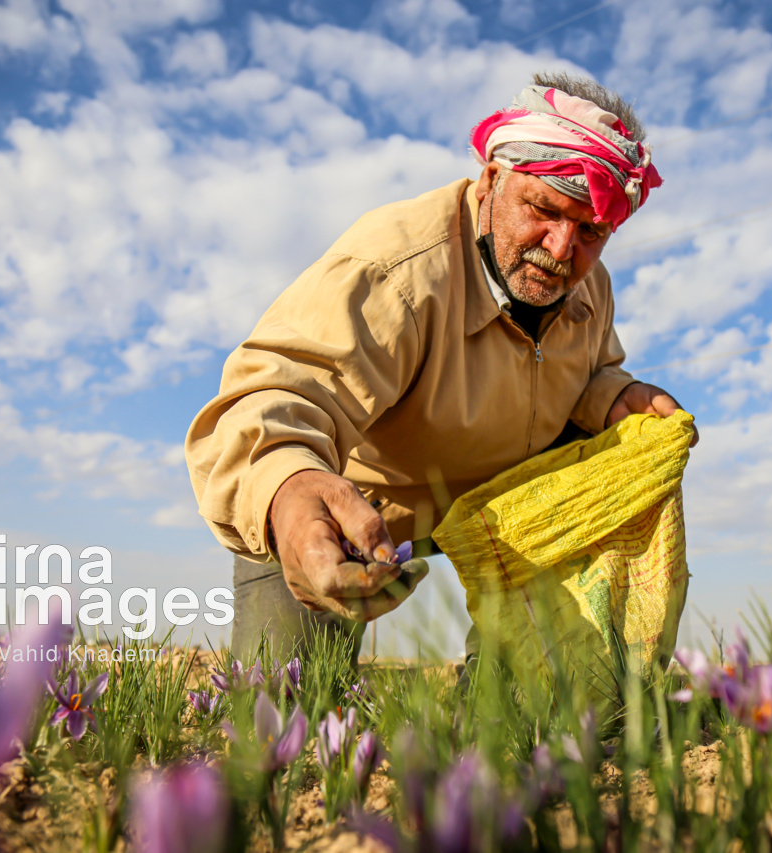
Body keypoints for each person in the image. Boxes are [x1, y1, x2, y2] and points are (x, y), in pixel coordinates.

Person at [185, 72, 698, 659]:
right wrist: (289, 492)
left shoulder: (589, 286)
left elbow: (586, 370)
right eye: (543, 209)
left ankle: (518, 685)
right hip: (363, 512)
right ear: (491, 180)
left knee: (553, 717)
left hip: (508, 515)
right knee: (281, 715)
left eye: (591, 230)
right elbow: (282, 390)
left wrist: (611, 395)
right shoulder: (395, 268)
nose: (561, 250)